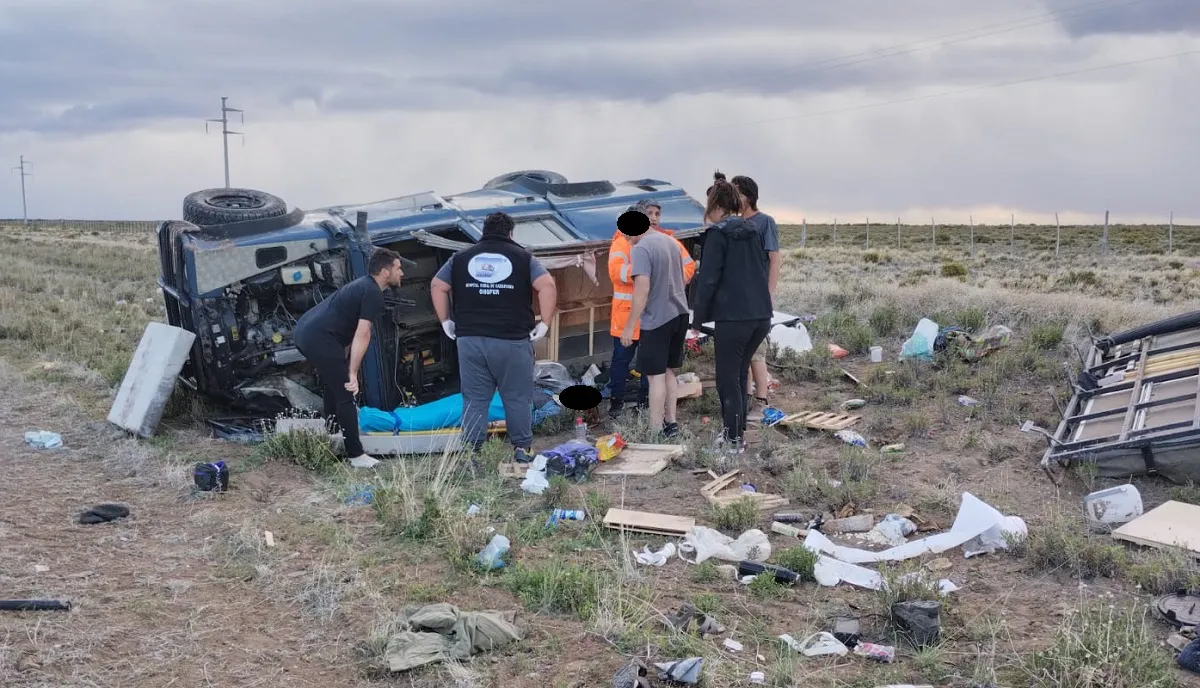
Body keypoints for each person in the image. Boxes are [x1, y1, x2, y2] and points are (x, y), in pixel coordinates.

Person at [431, 211, 557, 463]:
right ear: (510, 233)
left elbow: (438, 285)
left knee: (475, 399)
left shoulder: (460, 258)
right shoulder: (523, 257)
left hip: (470, 341)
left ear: (483, 231)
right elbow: (547, 285)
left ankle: (472, 453)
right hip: (512, 340)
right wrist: (545, 322)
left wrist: (445, 321)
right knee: (517, 397)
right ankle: (522, 449)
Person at [293, 247, 406, 469]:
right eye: (398, 268)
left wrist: (346, 365)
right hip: (319, 337)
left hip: (307, 333)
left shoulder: (363, 285)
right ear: (385, 272)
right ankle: (356, 455)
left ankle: (333, 430)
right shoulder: (373, 293)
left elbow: (346, 330)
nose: (401, 273)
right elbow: (363, 333)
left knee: (333, 383)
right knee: (346, 392)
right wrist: (352, 374)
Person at [691, 175, 773, 455]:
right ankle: (737, 434)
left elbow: (708, 279)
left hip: (734, 317)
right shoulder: (752, 229)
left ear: (715, 205)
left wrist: (698, 319)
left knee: (727, 379)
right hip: (760, 316)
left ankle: (732, 440)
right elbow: (762, 269)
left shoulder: (718, 234)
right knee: (738, 374)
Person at [606, 200, 695, 419]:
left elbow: (645, 286)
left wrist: (648, 274)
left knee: (654, 375)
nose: (654, 217)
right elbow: (616, 272)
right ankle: (666, 421)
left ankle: (652, 421)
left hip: (652, 317)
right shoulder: (666, 242)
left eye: (657, 213)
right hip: (657, 314)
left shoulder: (644, 246)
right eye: (650, 213)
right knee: (660, 371)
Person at [731, 174, 782, 419]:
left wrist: (768, 294)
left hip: (757, 297)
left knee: (756, 351)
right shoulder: (734, 223)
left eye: (738, 193)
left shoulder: (765, 222)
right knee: (742, 351)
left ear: (749, 196)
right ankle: (746, 396)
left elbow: (774, 259)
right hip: (738, 298)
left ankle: (761, 400)